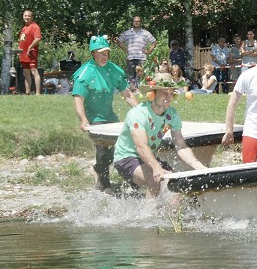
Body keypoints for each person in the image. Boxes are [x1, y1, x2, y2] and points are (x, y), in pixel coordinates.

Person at [113, 84, 207, 197]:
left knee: (177, 184)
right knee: (154, 178)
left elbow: (181, 145)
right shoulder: (138, 113)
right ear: (152, 94)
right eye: (164, 93)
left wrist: (199, 166)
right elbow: (141, 146)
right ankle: (149, 213)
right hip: (126, 157)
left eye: (171, 94)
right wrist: (156, 167)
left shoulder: (171, 114)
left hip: (147, 156)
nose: (169, 97)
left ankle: (171, 213)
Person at [71, 35, 138, 192]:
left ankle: (98, 170)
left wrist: (140, 111)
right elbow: (78, 99)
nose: (104, 56)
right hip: (94, 119)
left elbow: (127, 95)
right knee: (101, 148)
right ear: (93, 53)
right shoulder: (85, 73)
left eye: (106, 53)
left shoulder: (113, 70)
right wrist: (83, 120)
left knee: (123, 145)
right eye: (100, 53)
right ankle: (104, 183)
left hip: (110, 117)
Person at [117, 16, 157, 81]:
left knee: (142, 78)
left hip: (142, 59)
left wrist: (149, 51)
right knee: (131, 79)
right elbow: (119, 41)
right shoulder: (127, 33)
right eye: (135, 21)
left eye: (138, 21)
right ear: (132, 22)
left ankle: (141, 91)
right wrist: (125, 49)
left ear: (140, 23)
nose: (136, 22)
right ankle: (132, 90)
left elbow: (154, 42)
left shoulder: (145, 33)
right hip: (131, 59)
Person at [18, 10, 42, 95]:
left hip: (31, 53)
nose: (27, 17)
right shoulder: (24, 28)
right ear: (23, 17)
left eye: (29, 16)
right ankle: (27, 92)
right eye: (25, 16)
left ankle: (38, 93)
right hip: (23, 55)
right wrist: (19, 49)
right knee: (26, 73)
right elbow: (22, 40)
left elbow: (38, 38)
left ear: (32, 17)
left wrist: (30, 47)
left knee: (34, 72)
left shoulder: (34, 26)